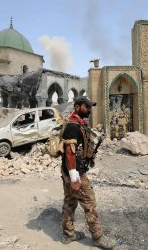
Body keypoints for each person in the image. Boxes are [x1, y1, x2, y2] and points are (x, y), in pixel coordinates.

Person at [61, 97, 115, 249]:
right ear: (77, 107)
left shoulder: (79, 124)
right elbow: (70, 153)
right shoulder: (73, 126)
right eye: (86, 107)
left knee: (70, 202)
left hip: (69, 170)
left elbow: (79, 150)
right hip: (75, 172)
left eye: (90, 107)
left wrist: (88, 158)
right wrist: (74, 178)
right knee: (89, 203)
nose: (89, 110)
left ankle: (68, 234)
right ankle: (98, 237)